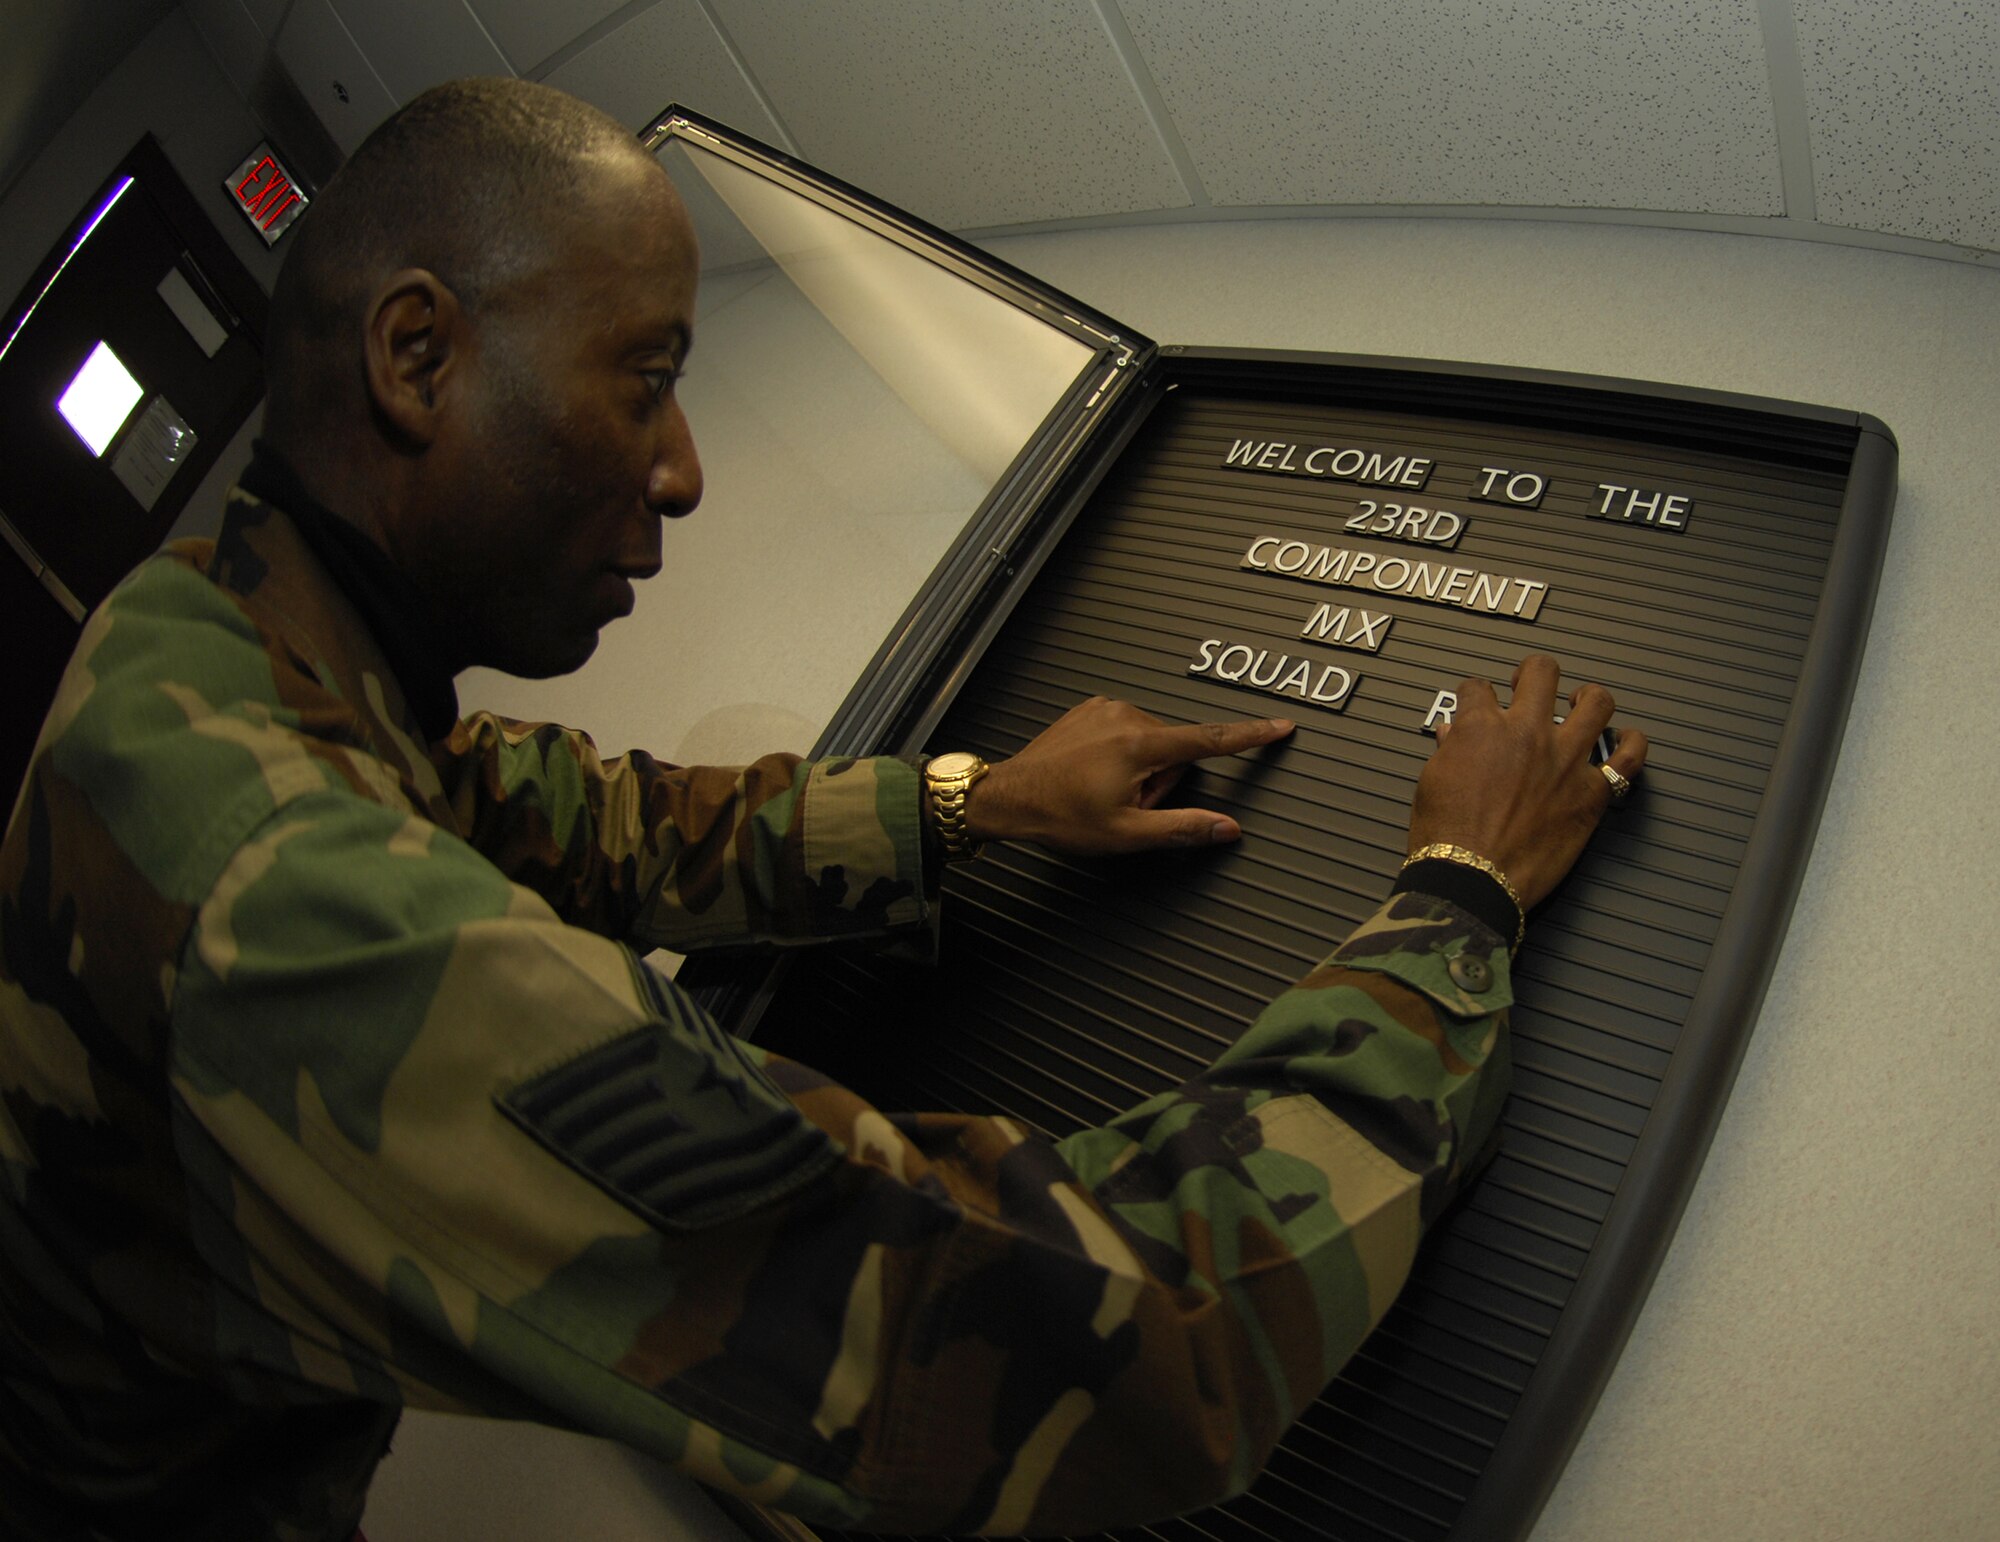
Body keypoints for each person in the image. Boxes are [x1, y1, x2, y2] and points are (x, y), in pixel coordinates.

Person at [0, 78, 1648, 1541]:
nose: (685, 469)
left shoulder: (207, 631)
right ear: (418, 356)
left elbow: (544, 814)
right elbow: (1135, 1348)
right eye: (645, 378)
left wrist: (972, 804)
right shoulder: (292, 913)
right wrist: (1455, 895)